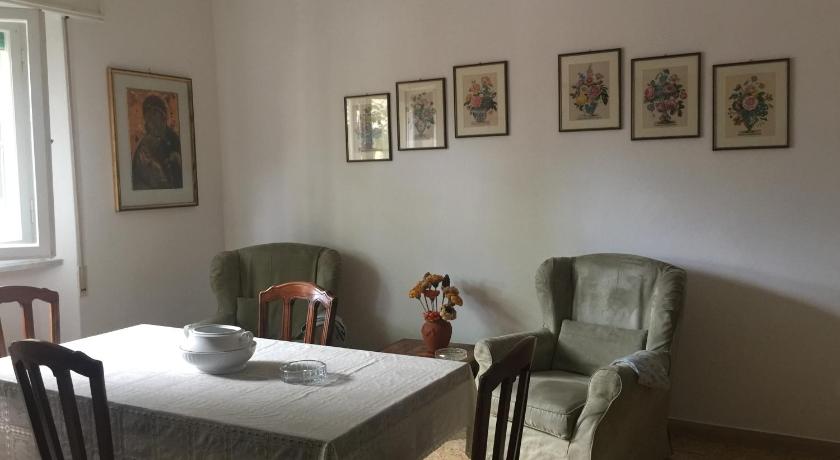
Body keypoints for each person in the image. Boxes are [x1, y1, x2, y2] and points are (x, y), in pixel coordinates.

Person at [131, 95, 183, 190]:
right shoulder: (144, 147)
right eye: (149, 118)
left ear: (164, 117)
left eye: (155, 114)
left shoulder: (174, 139)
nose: (153, 122)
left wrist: (176, 161)